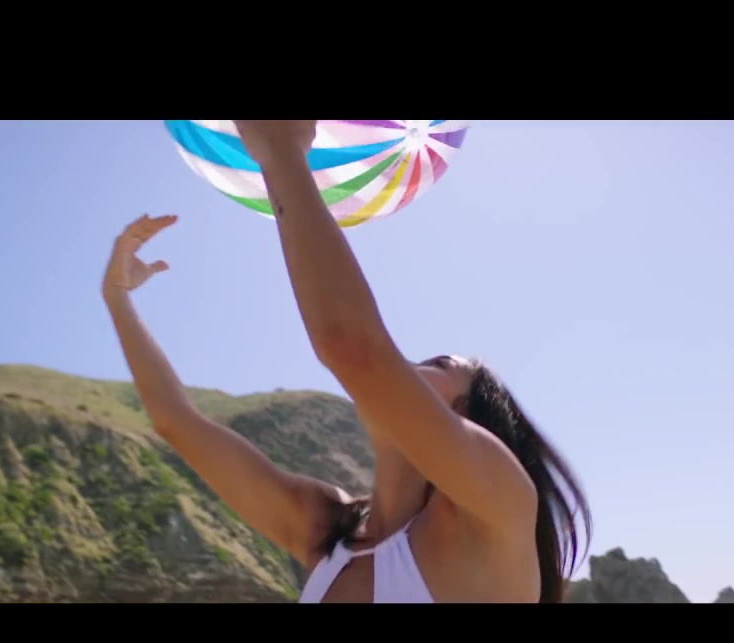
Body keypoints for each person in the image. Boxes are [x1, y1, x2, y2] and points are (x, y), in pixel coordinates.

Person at [101, 120, 591, 603]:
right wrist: (118, 299)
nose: (407, 365)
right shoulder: (330, 528)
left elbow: (354, 348)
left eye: (440, 364)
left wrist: (282, 146)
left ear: (468, 417)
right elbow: (175, 422)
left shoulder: (499, 505)